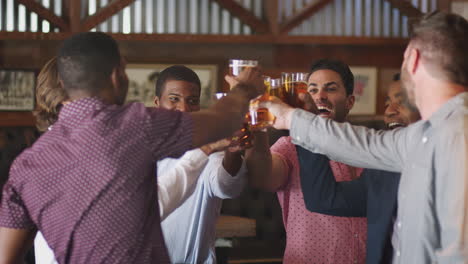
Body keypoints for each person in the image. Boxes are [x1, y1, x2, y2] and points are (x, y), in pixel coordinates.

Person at [0, 32, 263, 263]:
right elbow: (222, 121)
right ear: (117, 75)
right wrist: (243, 89)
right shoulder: (135, 125)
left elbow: (5, 257)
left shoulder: (26, 165)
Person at [261, 11, 468, 263]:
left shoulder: (457, 134)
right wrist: (293, 117)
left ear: (412, 59)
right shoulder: (424, 134)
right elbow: (367, 143)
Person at [245, 59, 367, 263]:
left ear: (350, 102)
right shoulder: (289, 146)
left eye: (331, 89)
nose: (320, 96)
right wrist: (258, 125)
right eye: (313, 90)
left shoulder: (368, 144)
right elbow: (261, 177)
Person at [298, 73, 420, 264]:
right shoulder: (383, 170)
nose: (389, 111)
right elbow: (324, 200)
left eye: (401, 102)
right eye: (387, 103)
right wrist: (310, 122)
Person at [154, 65, 247, 263]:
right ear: (157, 103)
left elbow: (226, 187)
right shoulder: (143, 152)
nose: (184, 108)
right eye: (174, 99)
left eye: (192, 101)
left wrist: (232, 151)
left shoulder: (211, 150)